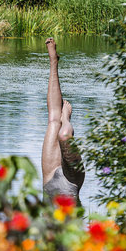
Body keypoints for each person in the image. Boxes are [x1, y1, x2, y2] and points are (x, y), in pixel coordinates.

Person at [41, 37, 85, 202]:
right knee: (64, 133)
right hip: (70, 183)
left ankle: (53, 62)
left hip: (49, 182)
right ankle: (66, 117)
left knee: (53, 120)